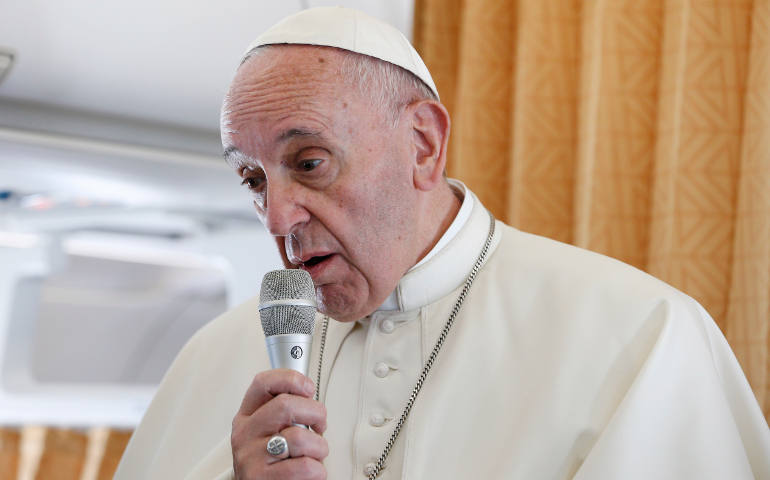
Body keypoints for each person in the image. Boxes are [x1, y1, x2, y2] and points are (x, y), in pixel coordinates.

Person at [115, 6, 770, 480]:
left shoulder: (640, 332)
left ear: (423, 145)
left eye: (310, 163)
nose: (277, 217)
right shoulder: (212, 357)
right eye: (253, 178)